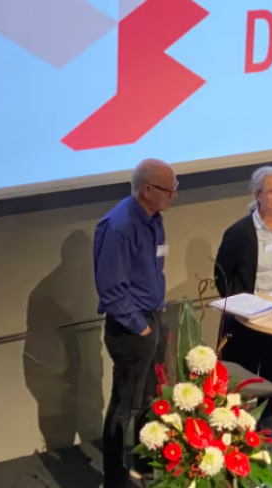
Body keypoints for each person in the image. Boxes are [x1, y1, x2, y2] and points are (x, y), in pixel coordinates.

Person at [95, 159, 177, 488]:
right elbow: (112, 289)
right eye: (169, 189)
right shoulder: (118, 226)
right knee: (124, 404)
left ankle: (144, 464)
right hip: (131, 328)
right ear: (147, 190)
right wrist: (141, 328)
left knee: (150, 398)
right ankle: (114, 479)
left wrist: (157, 321)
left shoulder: (154, 220)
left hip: (153, 317)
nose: (174, 195)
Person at [214, 166, 272, 430]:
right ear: (257, 194)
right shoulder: (239, 232)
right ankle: (237, 431)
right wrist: (242, 306)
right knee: (244, 380)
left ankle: (267, 426)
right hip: (249, 320)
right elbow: (222, 275)